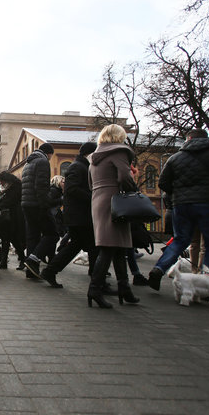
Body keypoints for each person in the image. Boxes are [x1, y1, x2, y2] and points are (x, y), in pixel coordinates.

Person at [147, 128, 209, 290]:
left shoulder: (175, 158)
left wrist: (179, 192)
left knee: (180, 240)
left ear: (189, 139)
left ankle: (159, 269)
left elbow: (163, 183)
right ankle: (207, 285)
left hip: (182, 205)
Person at [87, 124, 140, 308]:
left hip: (99, 200)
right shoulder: (120, 151)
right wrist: (134, 186)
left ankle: (124, 289)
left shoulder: (94, 156)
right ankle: (94, 289)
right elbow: (125, 177)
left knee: (117, 247)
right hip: (116, 201)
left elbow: (90, 183)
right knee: (110, 248)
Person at [40, 142, 98, 288]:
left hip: (78, 215)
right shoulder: (78, 167)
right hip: (79, 216)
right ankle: (98, 280)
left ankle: (50, 271)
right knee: (92, 247)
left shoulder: (80, 166)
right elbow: (71, 190)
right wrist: (93, 196)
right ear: (88, 153)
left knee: (76, 246)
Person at [21, 143, 58, 279]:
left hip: (27, 204)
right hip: (37, 204)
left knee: (33, 237)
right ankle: (33, 259)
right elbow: (41, 186)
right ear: (49, 153)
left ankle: (31, 271)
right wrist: (45, 205)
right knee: (52, 234)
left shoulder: (28, 163)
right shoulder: (42, 161)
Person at [0, 171, 26, 270]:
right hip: (6, 216)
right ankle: (5, 262)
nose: (1, 183)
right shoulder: (6, 187)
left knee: (14, 239)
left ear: (6, 179)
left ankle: (22, 260)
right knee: (6, 239)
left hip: (15, 216)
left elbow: (11, 200)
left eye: (1, 181)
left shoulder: (17, 185)